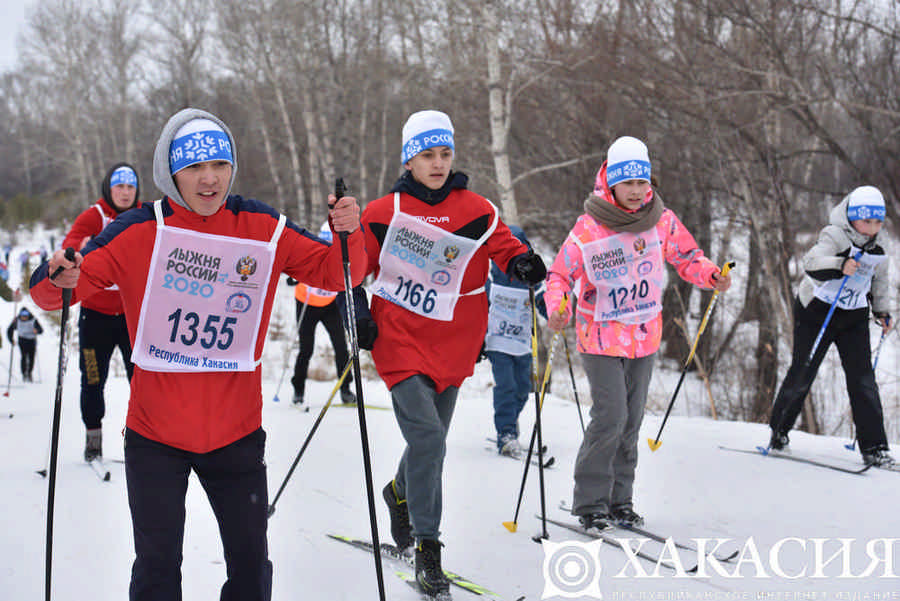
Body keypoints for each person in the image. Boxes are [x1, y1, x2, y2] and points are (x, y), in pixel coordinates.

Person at [30, 108, 365, 601]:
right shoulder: (139, 228)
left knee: (251, 569)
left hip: (236, 435)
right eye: (194, 168)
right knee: (158, 569)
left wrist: (347, 234)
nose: (209, 179)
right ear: (171, 173)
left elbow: (338, 274)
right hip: (156, 437)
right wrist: (58, 275)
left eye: (220, 165)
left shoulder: (262, 225)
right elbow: (51, 292)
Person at [350, 109, 545, 596]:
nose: (437, 163)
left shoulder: (476, 208)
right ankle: (427, 547)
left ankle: (399, 491)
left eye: (444, 153)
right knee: (431, 440)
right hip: (399, 340)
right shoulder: (383, 212)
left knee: (428, 442)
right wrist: (357, 308)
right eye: (426, 154)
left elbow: (505, 248)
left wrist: (523, 263)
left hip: (455, 342)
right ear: (408, 159)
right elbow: (350, 267)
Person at [545, 136, 731, 532]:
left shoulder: (661, 220)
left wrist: (711, 275)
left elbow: (688, 258)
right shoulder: (590, 226)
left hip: (644, 334)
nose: (636, 191)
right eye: (627, 183)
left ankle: (620, 500)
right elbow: (560, 275)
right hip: (599, 336)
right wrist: (558, 307)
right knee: (610, 416)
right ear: (610, 182)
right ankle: (591, 502)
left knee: (630, 422)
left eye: (642, 183)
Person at [767, 185, 894, 467]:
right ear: (852, 217)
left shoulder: (880, 242)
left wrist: (882, 311)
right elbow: (811, 262)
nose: (871, 228)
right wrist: (840, 264)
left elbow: (880, 280)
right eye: (866, 221)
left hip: (853, 314)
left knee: (862, 379)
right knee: (804, 369)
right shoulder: (834, 234)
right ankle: (778, 432)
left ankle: (875, 447)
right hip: (818, 310)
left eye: (877, 222)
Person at [62, 163, 141, 461]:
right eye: (119, 187)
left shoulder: (143, 214)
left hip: (133, 318)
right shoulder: (94, 216)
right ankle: (93, 438)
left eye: (130, 187)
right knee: (93, 378)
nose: (124, 192)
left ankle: (139, 439)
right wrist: (78, 248)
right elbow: (69, 244)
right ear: (109, 188)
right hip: (95, 317)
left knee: (143, 380)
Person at [484, 224, 547, 457]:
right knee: (506, 387)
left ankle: (509, 421)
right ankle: (506, 432)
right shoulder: (489, 274)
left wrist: (554, 314)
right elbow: (478, 302)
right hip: (497, 341)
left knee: (522, 389)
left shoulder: (530, 278)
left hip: (522, 342)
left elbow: (542, 300)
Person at [286, 222, 355, 407]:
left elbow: (351, 274)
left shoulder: (342, 253)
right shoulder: (312, 249)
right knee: (306, 349)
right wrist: (293, 278)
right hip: (306, 304)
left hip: (330, 305)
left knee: (341, 347)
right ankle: (298, 390)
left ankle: (346, 389)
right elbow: (293, 269)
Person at [7, 307, 42, 382]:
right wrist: (11, 340)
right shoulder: (17, 320)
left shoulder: (33, 320)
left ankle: (29, 373)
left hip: (32, 341)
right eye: (22, 315)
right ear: (20, 315)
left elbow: (41, 330)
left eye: (26, 315)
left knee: (31, 357)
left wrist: (37, 330)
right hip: (22, 340)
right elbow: (9, 331)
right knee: (24, 356)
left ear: (29, 315)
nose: (24, 317)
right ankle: (24, 374)